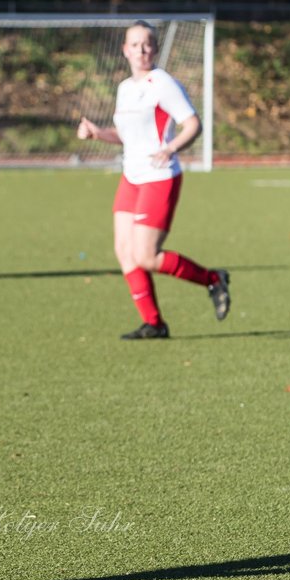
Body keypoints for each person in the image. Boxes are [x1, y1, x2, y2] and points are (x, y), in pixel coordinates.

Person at [77, 20, 230, 340]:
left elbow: (192, 124)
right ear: (125, 50)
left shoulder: (162, 83)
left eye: (147, 44)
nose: (141, 50)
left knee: (146, 256)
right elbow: (126, 135)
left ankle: (213, 278)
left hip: (159, 178)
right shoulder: (125, 88)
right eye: (135, 44)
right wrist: (97, 133)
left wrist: (170, 148)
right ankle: (154, 324)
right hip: (131, 178)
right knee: (125, 252)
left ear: (155, 49)